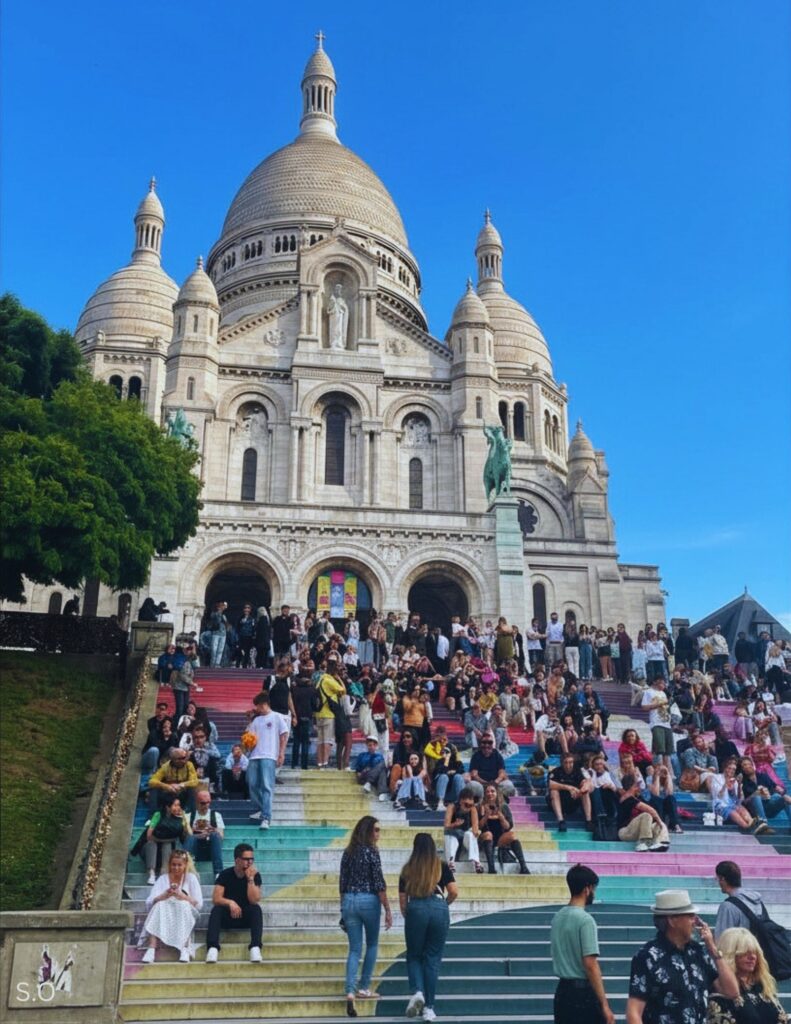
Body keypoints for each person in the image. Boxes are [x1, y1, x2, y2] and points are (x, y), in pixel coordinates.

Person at [626, 888, 739, 1023]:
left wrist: (713, 950)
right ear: (672, 920)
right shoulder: (647, 956)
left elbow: (731, 991)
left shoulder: (698, 952)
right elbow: (634, 1011)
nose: (696, 921)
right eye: (690, 916)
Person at [399, 833, 458, 1022]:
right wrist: (443, 905)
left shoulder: (407, 869)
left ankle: (417, 991)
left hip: (416, 907)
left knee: (414, 955)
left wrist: (412, 915)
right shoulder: (440, 865)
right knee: (432, 958)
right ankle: (429, 1009)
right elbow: (454, 892)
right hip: (439, 907)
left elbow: (403, 903)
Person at [340, 816, 392, 1018]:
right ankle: (363, 987)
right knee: (371, 944)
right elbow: (379, 883)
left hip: (349, 901)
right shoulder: (372, 852)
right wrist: (387, 908)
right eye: (376, 830)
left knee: (354, 949)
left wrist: (342, 909)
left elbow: (342, 883)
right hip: (368, 900)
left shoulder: (348, 852)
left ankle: (350, 991)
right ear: (369, 831)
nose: (378, 834)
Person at [551, 863, 615, 1024]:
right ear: (587, 889)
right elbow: (590, 964)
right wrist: (605, 1005)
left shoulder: (557, 917)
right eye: (593, 889)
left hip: (562, 991)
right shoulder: (585, 920)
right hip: (583, 994)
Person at [707, 927, 788, 1024]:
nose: (752, 957)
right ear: (731, 954)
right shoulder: (721, 989)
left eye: (755, 952)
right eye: (745, 952)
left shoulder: (762, 986)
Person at [141, 848, 203, 963]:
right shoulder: (163, 878)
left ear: (185, 865)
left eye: (179, 865)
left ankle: (184, 948)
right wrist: (165, 895)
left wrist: (182, 896)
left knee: (183, 905)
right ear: (169, 865)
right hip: (165, 910)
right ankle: (151, 949)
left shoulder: (191, 878)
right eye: (173, 865)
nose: (176, 868)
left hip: (185, 910)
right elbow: (150, 902)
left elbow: (198, 904)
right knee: (159, 905)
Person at [205, 843, 263, 963]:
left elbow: (254, 900)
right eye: (246, 859)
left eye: (252, 859)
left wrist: (250, 880)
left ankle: (255, 947)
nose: (250, 862)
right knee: (216, 910)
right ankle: (213, 948)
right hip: (228, 917)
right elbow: (216, 898)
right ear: (237, 860)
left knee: (256, 909)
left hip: (245, 917)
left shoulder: (255, 875)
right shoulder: (225, 874)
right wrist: (230, 902)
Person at [246, 690, 289, 830]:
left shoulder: (277, 717)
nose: (256, 709)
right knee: (251, 783)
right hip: (254, 755)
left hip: (269, 755)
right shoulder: (256, 720)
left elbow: (284, 735)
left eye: (258, 706)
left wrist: (281, 753)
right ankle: (262, 808)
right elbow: (249, 737)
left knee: (266, 786)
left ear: (264, 704)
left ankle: (266, 817)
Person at [479, 783, 530, 874]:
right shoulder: (481, 806)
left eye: (492, 791)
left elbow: (509, 826)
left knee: (513, 835)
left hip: (500, 837)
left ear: (497, 793)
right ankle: (491, 868)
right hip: (485, 837)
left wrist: (500, 816)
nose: (490, 794)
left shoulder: (504, 806)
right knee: (488, 834)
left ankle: (524, 867)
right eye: (487, 792)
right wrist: (486, 815)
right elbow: (479, 826)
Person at [143, 794, 192, 884]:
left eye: (179, 805)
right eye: (175, 805)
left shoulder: (179, 817)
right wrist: (161, 840)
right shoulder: (158, 815)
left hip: (169, 846)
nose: (178, 807)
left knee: (167, 844)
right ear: (168, 807)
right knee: (151, 843)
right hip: (154, 845)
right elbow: (149, 835)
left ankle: (164, 872)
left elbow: (188, 835)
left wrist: (184, 820)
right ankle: (152, 873)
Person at [714, 861, 770, 939]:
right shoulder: (757, 900)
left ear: (722, 879)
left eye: (717, 878)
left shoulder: (727, 906)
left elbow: (721, 941)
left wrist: (708, 939)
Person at [616, 774, 670, 852]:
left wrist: (660, 824)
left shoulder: (638, 798)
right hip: (624, 832)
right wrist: (660, 822)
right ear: (634, 785)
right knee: (647, 815)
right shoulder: (626, 798)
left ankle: (661, 842)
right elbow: (650, 810)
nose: (640, 787)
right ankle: (643, 842)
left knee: (657, 824)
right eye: (638, 784)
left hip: (636, 831)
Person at [739, 756, 791, 830]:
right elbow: (743, 802)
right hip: (754, 812)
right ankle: (763, 824)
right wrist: (756, 794)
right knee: (757, 796)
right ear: (742, 769)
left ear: (752, 765)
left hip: (769, 806)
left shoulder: (763, 776)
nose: (747, 766)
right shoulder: (743, 782)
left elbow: (777, 788)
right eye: (744, 765)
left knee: (783, 798)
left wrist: (783, 794)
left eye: (748, 764)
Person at [548, 752, 593, 832]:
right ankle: (561, 821)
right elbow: (550, 784)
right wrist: (568, 787)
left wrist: (580, 791)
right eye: (566, 762)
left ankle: (588, 821)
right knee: (554, 791)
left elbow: (587, 783)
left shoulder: (577, 771)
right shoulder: (556, 771)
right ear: (562, 763)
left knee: (585, 792)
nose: (568, 765)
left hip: (573, 799)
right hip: (559, 801)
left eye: (571, 762)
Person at [467, 731, 516, 802]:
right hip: (481, 785)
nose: (486, 745)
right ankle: (481, 801)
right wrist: (485, 783)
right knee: (472, 785)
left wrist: (495, 782)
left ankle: (499, 800)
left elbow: (502, 772)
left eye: (489, 743)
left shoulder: (497, 755)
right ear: (480, 744)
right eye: (484, 742)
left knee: (508, 785)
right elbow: (474, 775)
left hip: (496, 784)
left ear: (492, 744)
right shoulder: (476, 756)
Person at [147, 747, 199, 813]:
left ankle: (190, 813)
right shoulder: (165, 767)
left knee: (191, 789)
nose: (184, 760)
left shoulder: (189, 765)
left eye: (185, 757)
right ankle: (153, 814)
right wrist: (167, 786)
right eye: (181, 758)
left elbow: (195, 781)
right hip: (169, 794)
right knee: (154, 789)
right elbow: (151, 782)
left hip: (182, 793)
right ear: (174, 760)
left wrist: (181, 785)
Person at [443, 786, 483, 873]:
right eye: (466, 804)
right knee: (450, 836)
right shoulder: (452, 806)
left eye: (470, 805)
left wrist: (475, 832)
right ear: (460, 801)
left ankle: (477, 861)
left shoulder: (472, 809)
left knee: (470, 834)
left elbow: (475, 828)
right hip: (453, 834)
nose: (468, 807)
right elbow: (446, 825)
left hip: (465, 836)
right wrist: (454, 824)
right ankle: (451, 862)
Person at [184, 790, 224, 876]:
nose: (206, 805)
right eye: (203, 803)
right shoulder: (189, 816)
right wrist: (194, 832)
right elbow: (185, 838)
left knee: (215, 835)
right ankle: (185, 869)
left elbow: (221, 836)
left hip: (211, 849)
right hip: (194, 848)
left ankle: (218, 873)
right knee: (191, 837)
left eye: (208, 802)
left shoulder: (216, 815)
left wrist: (213, 829)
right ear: (197, 802)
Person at [424, 727, 464, 810]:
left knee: (459, 777)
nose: (442, 740)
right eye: (439, 736)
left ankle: (461, 803)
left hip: (452, 787)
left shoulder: (453, 752)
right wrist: (445, 759)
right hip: (438, 786)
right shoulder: (437, 756)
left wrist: (454, 771)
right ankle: (440, 803)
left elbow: (461, 769)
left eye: (444, 737)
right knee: (444, 776)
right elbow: (441, 771)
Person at [641, 677, 674, 771]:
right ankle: (658, 769)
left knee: (668, 750)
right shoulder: (648, 692)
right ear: (656, 682)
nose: (664, 686)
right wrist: (657, 705)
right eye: (663, 683)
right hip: (656, 722)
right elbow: (644, 707)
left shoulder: (663, 693)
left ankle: (667, 770)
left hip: (666, 722)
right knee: (659, 748)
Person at [355, 735, 390, 801]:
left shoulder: (379, 756)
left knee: (382, 769)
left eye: (374, 745)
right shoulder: (362, 755)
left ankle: (370, 784)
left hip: (375, 779)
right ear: (367, 745)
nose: (372, 747)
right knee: (382, 765)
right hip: (364, 776)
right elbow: (358, 769)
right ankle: (381, 792)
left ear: (376, 746)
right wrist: (359, 773)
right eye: (370, 745)